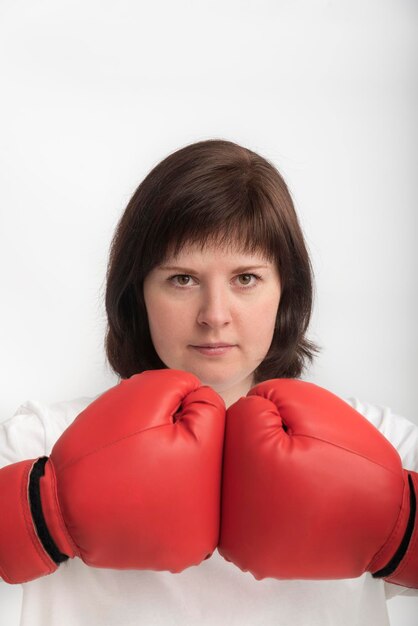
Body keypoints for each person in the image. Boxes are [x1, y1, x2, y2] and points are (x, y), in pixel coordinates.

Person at [1, 138, 417, 625]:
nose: (214, 316)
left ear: (287, 292)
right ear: (138, 295)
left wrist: (400, 526)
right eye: (182, 279)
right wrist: (43, 514)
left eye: (245, 278)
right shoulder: (44, 439)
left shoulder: (382, 443)